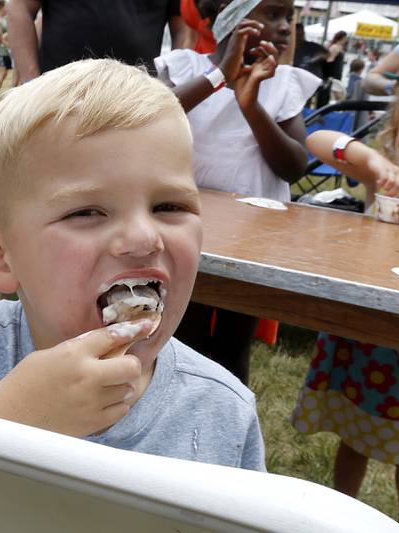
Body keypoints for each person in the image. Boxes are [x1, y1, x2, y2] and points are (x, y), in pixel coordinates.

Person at [0, 58, 265, 469]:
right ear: (3, 259)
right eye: (86, 212)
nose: (144, 238)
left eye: (169, 205)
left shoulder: (224, 413)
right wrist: (11, 421)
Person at [292, 76, 399, 533]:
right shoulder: (387, 176)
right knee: (353, 434)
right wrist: (366, 157)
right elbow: (316, 137)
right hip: (368, 329)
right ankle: (338, 516)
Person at [153, 0, 319, 384]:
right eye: (272, 14)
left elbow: (294, 167)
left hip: (251, 241)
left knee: (233, 343)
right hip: (184, 232)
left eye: (288, 17)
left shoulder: (280, 82)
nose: (284, 27)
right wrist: (219, 77)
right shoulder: (182, 68)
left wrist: (250, 105)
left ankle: (227, 428)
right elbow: (153, 118)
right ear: (229, 14)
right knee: (182, 335)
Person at [7, 0, 192, 83]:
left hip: (136, 98)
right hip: (60, 92)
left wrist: (174, 81)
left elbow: (183, 27)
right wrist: (30, 81)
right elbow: (19, 6)